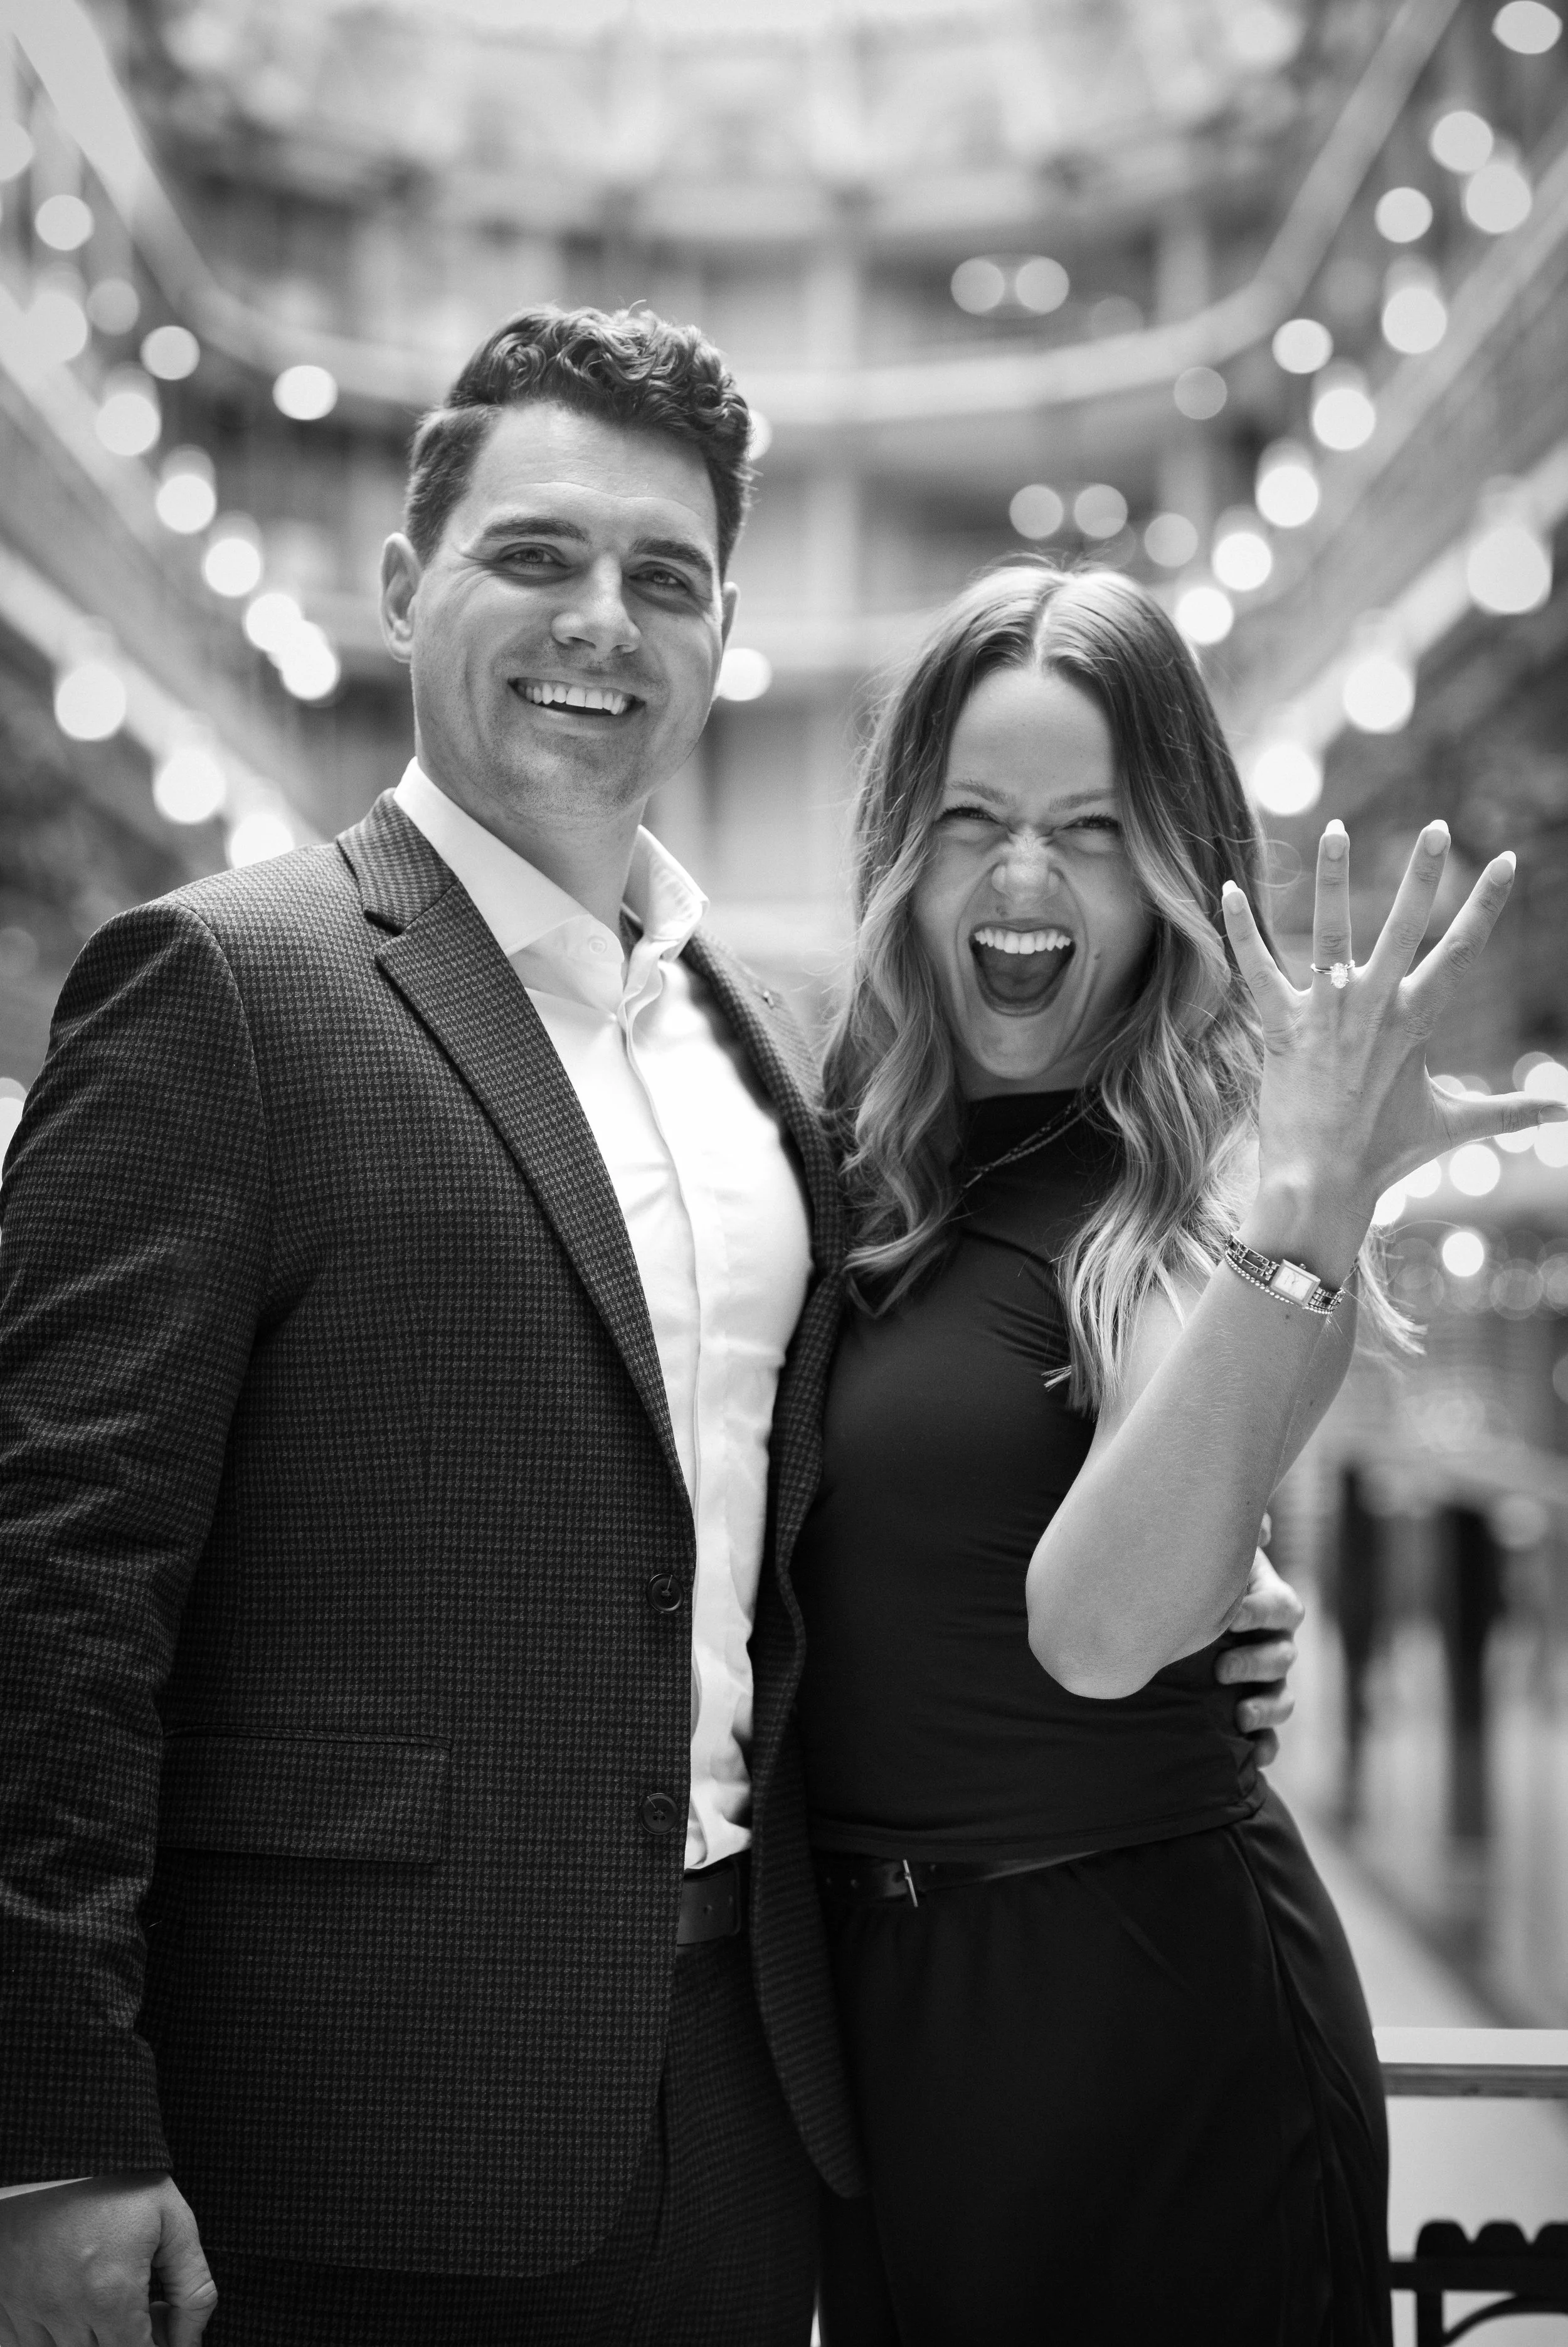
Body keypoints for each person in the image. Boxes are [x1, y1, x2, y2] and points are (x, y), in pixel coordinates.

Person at [0, 310, 1301, 2347]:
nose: (600, 621)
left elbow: (880, 1459)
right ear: (405, 582)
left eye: (664, 576)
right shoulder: (223, 987)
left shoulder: (765, 1060)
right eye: (535, 554)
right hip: (342, 2127)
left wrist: (1225, 1541)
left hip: (752, 2105)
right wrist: (54, 2129)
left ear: (719, 636)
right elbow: (54, 1581)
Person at [792, 561, 1564, 2345]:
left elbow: (1100, 1626)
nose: (1022, 880)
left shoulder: (1212, 1204)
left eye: (1090, 828)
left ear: (1172, 874)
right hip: (883, 2032)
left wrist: (1305, 1208)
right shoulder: (844, 1151)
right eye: (972, 818)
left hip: (1147, 2022)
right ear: (900, 842)